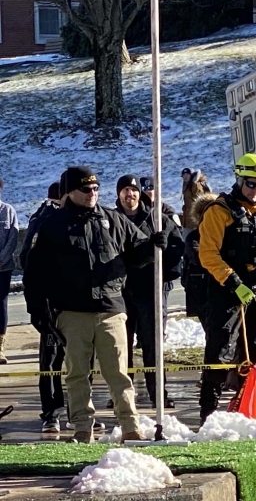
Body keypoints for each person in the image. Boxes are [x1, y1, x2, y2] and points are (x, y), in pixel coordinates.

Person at [22, 166, 169, 443]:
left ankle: (130, 426)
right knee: (78, 374)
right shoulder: (51, 225)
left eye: (96, 188)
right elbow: (34, 272)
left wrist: (152, 246)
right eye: (85, 189)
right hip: (72, 312)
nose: (92, 193)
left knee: (118, 373)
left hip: (111, 309)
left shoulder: (112, 220)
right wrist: (38, 311)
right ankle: (81, 426)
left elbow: (134, 253)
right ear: (68, 193)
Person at [195, 154, 256, 421]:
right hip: (226, 290)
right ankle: (208, 413)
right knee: (220, 349)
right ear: (240, 180)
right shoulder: (219, 211)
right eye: (251, 184)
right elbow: (208, 254)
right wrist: (233, 282)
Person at [115, 174, 185, 407]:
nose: (130, 195)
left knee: (152, 345)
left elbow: (178, 246)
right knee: (120, 347)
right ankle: (123, 395)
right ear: (119, 195)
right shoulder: (111, 220)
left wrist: (165, 273)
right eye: (125, 191)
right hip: (121, 293)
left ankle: (159, 394)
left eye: (133, 190)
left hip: (150, 291)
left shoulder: (157, 219)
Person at [21, 182, 65, 432]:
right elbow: (29, 264)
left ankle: (80, 410)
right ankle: (52, 412)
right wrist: (38, 308)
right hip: (50, 306)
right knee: (50, 362)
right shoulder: (43, 221)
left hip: (76, 305)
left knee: (80, 363)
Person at [0, 180, 17, 365]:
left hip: (3, 268)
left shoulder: (8, 211)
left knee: (1, 306)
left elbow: (13, 237)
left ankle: (0, 347)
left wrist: (1, 259)